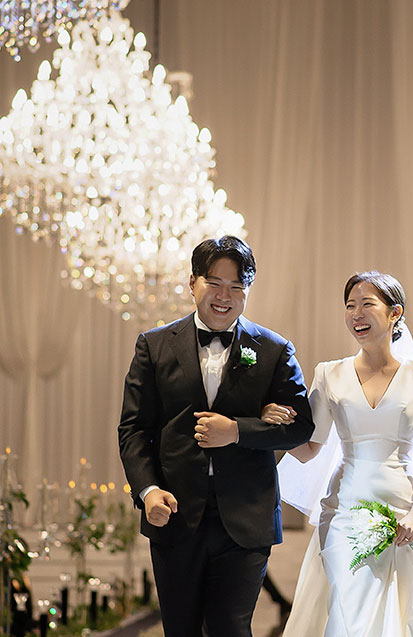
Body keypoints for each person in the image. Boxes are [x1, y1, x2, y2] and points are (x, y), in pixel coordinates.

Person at [118, 235, 315, 636]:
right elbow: (134, 429)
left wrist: (238, 430)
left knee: (230, 628)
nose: (225, 296)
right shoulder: (154, 346)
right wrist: (148, 491)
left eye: (237, 286)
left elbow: (300, 428)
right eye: (215, 283)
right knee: (181, 630)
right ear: (192, 283)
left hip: (247, 518)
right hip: (174, 514)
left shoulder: (274, 350)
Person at [277, 271, 413, 636]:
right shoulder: (328, 374)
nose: (356, 314)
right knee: (349, 614)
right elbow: (309, 450)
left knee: (403, 613)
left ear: (394, 313)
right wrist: (274, 428)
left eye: (367, 304)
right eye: (349, 306)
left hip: (403, 510)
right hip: (342, 510)